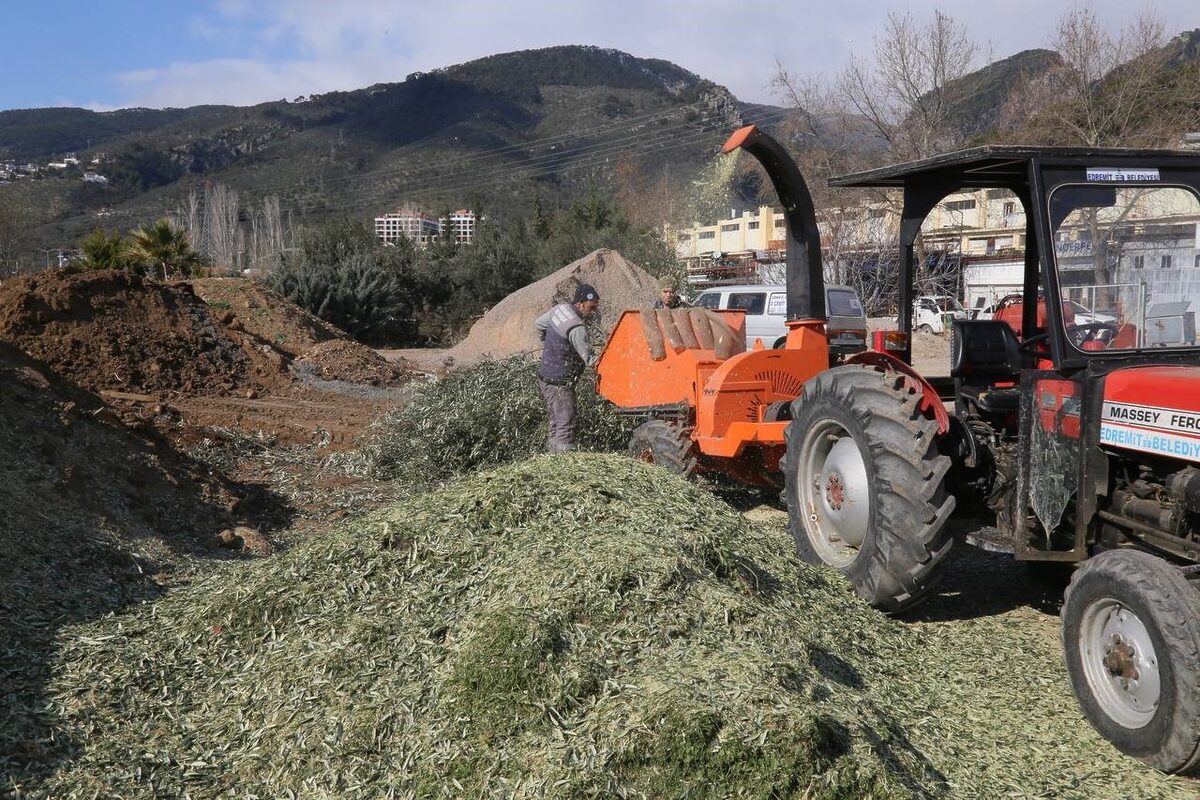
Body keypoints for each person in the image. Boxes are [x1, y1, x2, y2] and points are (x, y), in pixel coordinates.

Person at [534, 283, 600, 453]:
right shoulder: (577, 327)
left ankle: (551, 458)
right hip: (560, 383)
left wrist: (554, 342)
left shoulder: (559, 309)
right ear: (580, 303)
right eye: (591, 308)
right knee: (565, 425)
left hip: (544, 377)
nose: (592, 312)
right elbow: (591, 360)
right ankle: (564, 465)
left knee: (555, 422)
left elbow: (539, 325)